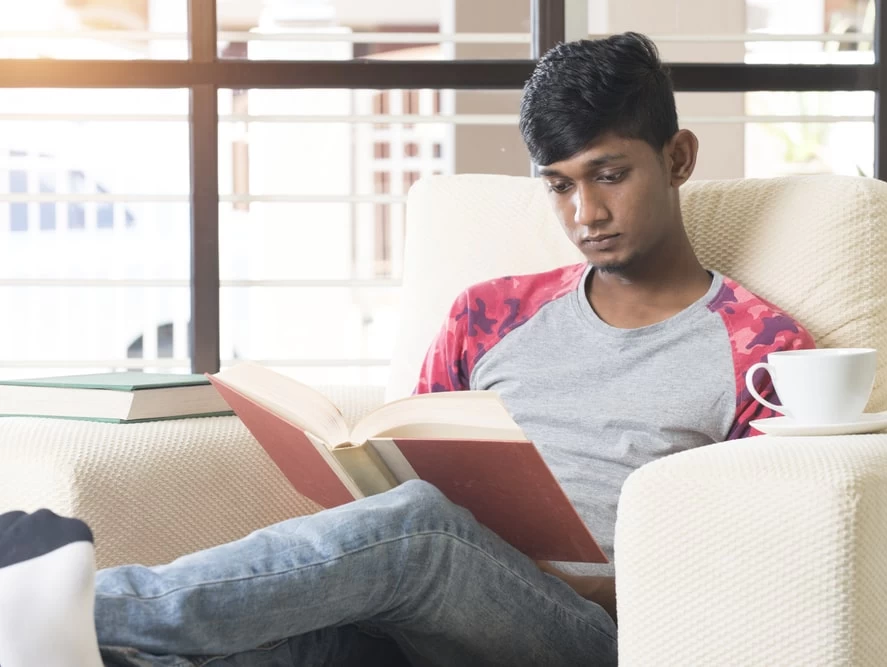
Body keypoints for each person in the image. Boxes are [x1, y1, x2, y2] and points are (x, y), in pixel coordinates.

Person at [0, 32, 814, 667]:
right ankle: (61, 635)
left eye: (609, 175)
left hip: (585, 634)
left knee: (423, 528)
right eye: (560, 184)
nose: (585, 213)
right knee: (262, 645)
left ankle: (72, 603)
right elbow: (401, 474)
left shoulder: (764, 350)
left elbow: (744, 560)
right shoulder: (490, 312)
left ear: (678, 158)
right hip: (415, 612)